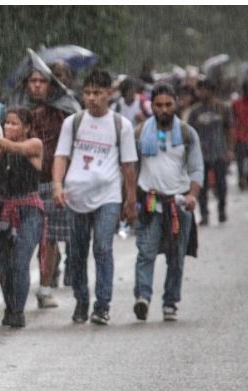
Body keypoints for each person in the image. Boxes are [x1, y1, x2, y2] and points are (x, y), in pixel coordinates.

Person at [52, 69, 138, 325]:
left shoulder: (121, 125)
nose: (92, 98)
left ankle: (102, 305)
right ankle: (81, 300)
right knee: (77, 253)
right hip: (75, 197)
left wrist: (130, 200)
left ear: (109, 94)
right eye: (88, 93)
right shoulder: (73, 122)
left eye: (98, 93)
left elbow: (128, 167)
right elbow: (61, 156)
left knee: (103, 247)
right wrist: (57, 185)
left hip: (108, 196)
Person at [9, 56, 81, 311]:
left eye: (42, 81)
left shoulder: (63, 111)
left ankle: (45, 287)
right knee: (19, 239)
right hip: (22, 184)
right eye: (33, 80)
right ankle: (16, 287)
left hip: (52, 181)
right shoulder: (17, 110)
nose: (37, 85)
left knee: (49, 238)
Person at [132, 83, 204, 322]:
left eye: (168, 105)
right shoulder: (140, 133)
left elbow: (196, 168)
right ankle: (142, 297)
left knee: (176, 257)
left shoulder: (187, 133)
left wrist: (193, 195)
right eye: (158, 105)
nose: (163, 109)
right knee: (146, 252)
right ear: (151, 106)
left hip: (178, 204)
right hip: (150, 203)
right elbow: (131, 168)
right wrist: (130, 200)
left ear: (176, 104)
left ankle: (170, 302)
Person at [0, 107, 44, 327]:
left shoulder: (34, 144)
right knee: (5, 264)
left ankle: (18, 310)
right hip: (2, 209)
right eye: (6, 123)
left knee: (21, 261)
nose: (9, 127)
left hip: (28, 209)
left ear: (27, 127)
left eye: (14, 123)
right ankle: (9, 306)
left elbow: (14, 147)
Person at [189, 78, 234, 225]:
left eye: (204, 89)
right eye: (200, 90)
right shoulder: (195, 111)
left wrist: (230, 150)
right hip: (201, 153)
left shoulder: (223, 108)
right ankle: (204, 213)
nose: (202, 93)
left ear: (212, 91)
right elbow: (190, 133)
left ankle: (221, 209)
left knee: (221, 183)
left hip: (219, 151)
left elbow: (229, 129)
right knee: (201, 185)